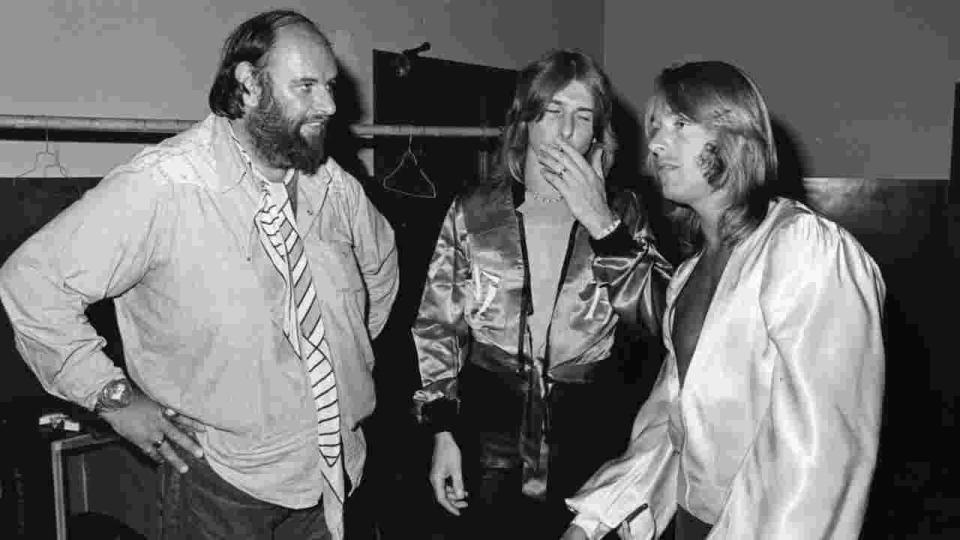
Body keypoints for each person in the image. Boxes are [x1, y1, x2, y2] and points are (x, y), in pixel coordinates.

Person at [0, 9, 398, 540]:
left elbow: (381, 267)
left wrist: (343, 355)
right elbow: (31, 283)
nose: (328, 104)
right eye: (305, 86)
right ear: (249, 86)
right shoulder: (163, 187)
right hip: (223, 486)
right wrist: (112, 396)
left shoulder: (333, 186)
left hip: (339, 470)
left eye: (328, 86)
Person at [562, 61, 886, 539]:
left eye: (680, 125)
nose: (655, 144)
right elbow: (673, 424)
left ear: (735, 136)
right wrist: (594, 521)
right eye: (655, 127)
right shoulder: (690, 273)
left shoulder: (804, 249)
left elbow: (821, 455)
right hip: (695, 523)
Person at [411, 49, 673, 539]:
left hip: (591, 429)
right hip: (487, 430)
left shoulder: (624, 212)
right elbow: (436, 325)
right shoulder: (474, 211)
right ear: (526, 121)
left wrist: (605, 227)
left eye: (582, 116)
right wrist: (442, 432)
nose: (565, 130)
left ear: (598, 133)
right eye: (552, 112)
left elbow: (668, 318)